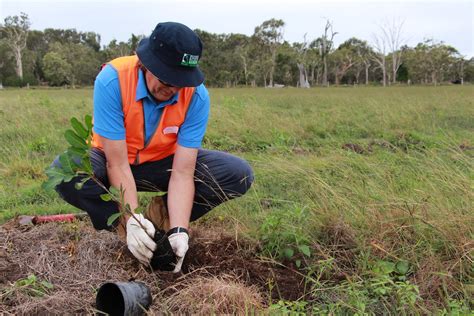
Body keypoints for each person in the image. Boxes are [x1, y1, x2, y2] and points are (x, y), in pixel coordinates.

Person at [52, 22, 254, 272]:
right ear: (146, 64)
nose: (173, 89)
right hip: (109, 161)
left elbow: (182, 171)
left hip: (162, 165)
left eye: (181, 81)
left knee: (238, 173)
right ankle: (124, 228)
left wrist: (180, 230)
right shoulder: (113, 79)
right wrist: (132, 219)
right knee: (66, 169)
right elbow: (117, 163)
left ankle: (162, 217)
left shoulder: (196, 96)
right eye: (167, 78)